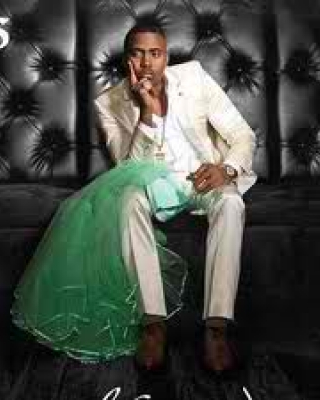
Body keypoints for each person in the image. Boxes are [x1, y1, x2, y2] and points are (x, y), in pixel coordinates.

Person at [94, 23, 257, 373]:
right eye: (138, 54)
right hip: (152, 185)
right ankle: (153, 325)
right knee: (128, 202)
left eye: (155, 54)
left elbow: (243, 134)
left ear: (166, 57)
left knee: (232, 203)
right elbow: (127, 169)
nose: (147, 63)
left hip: (203, 180)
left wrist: (226, 169)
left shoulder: (194, 78)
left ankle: (216, 328)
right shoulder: (109, 103)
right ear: (127, 59)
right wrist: (147, 111)